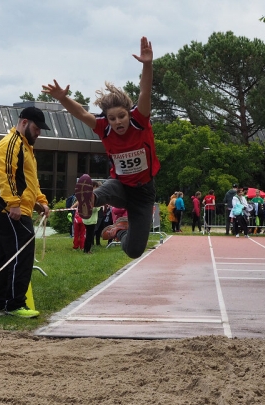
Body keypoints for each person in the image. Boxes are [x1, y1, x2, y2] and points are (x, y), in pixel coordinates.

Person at [43, 36, 157, 259]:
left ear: (129, 113)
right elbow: (81, 113)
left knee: (134, 251)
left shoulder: (139, 120)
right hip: (121, 186)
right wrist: (63, 99)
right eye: (112, 118)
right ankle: (90, 201)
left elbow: (145, 92)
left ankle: (121, 230)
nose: (118, 122)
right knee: (105, 189)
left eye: (121, 116)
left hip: (143, 192)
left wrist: (147, 64)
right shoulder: (103, 127)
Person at [0, 107, 50, 318]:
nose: (39, 132)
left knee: (4, 256)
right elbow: (6, 176)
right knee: (21, 255)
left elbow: (31, 181)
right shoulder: (11, 143)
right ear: (24, 122)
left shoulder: (26, 147)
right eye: (37, 127)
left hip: (15, 208)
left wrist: (41, 201)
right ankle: (15, 304)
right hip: (10, 209)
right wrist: (14, 203)